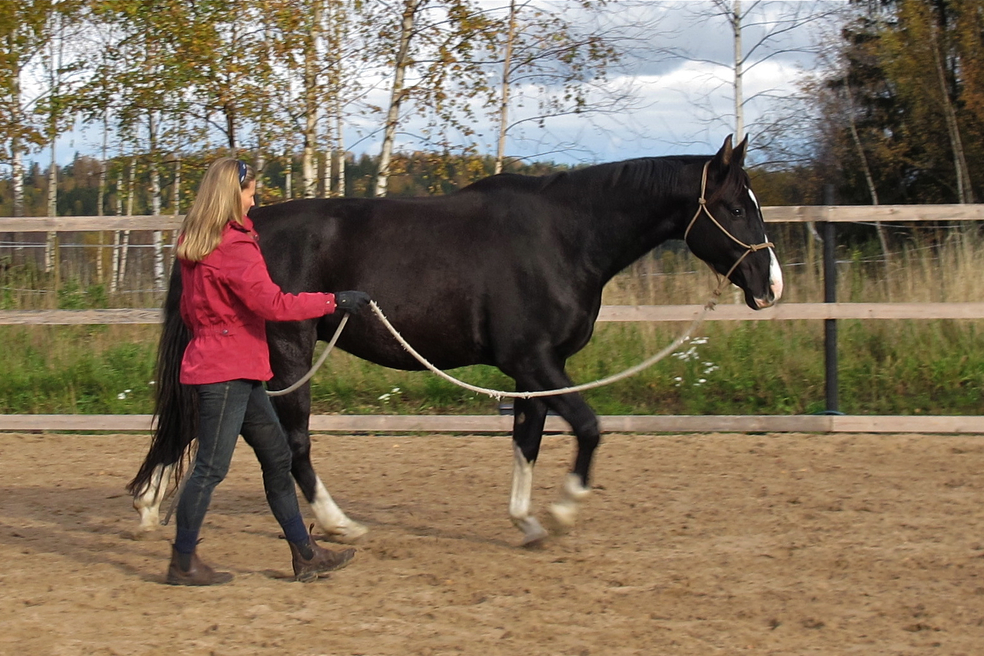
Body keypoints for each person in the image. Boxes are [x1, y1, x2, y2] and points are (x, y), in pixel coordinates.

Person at [166, 157, 370, 586]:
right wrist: (334, 302)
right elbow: (274, 305)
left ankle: (305, 554)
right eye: (248, 192)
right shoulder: (235, 247)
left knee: (278, 457)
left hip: (234, 368)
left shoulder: (196, 243)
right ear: (229, 195)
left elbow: (188, 311)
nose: (254, 198)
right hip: (228, 372)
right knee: (210, 469)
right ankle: (182, 562)